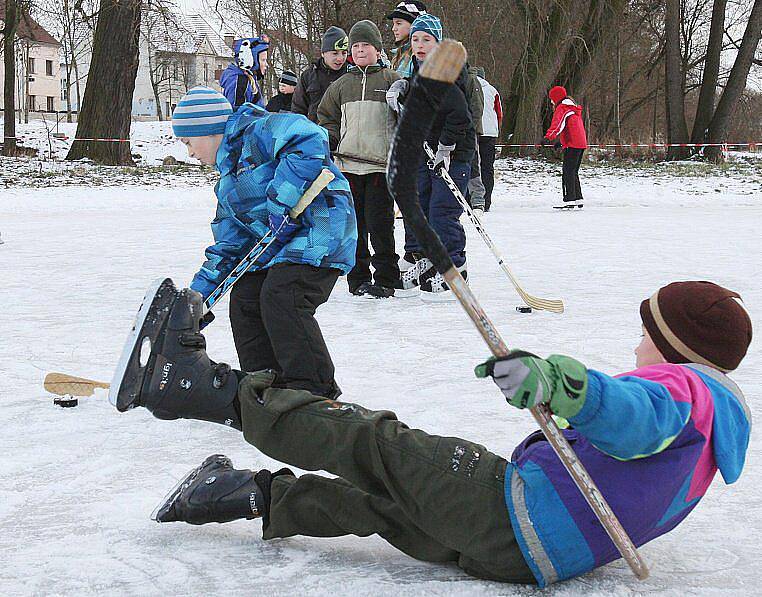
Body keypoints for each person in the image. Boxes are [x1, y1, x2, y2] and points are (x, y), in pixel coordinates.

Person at [113, 276, 752, 588]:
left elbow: (633, 418)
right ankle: (243, 494)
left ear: (674, 349)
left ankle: (198, 386)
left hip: (512, 509)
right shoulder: (714, 435)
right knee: (381, 506)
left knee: (375, 443)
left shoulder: (685, 392)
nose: (636, 342)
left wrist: (562, 384)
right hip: (532, 559)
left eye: (647, 332)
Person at [172, 86, 357, 398]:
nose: (189, 152)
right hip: (283, 247)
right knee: (246, 297)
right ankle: (266, 385)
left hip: (322, 229)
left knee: (283, 295)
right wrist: (195, 303)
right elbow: (228, 249)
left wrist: (282, 199)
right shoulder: (228, 185)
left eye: (189, 142)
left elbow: (308, 137)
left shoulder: (256, 130)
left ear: (209, 129)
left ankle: (313, 391)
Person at [389, 14, 474, 301]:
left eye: (427, 40)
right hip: (427, 153)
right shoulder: (417, 71)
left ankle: (455, 266)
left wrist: (446, 148)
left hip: (453, 154)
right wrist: (402, 93)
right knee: (422, 206)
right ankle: (425, 259)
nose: (420, 45)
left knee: (442, 211)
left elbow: (459, 117)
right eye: (415, 39)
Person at [318, 20, 402, 299]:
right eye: (356, 46)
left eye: (366, 45)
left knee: (380, 223)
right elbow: (326, 116)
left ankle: (388, 277)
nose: (360, 50)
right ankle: (358, 279)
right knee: (355, 226)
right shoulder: (342, 85)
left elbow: (409, 116)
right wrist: (333, 139)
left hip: (380, 165)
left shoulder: (392, 80)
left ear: (378, 49)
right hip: (348, 166)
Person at [292, 27, 349, 123]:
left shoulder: (351, 74)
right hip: (315, 132)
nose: (340, 58)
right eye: (335, 53)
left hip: (344, 133)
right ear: (323, 53)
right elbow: (298, 110)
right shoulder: (308, 76)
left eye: (344, 53)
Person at [544, 85, 587, 209]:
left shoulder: (563, 108)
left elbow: (558, 124)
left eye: (552, 99)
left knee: (568, 171)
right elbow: (571, 129)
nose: (551, 101)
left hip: (572, 144)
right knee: (573, 171)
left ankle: (569, 199)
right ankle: (578, 198)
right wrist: (561, 143)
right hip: (579, 143)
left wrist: (548, 138)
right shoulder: (572, 108)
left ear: (556, 98)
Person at [474, 67, 502, 212]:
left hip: (473, 131)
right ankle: (487, 200)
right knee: (487, 167)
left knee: (472, 166)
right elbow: (499, 114)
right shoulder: (493, 90)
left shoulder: (467, 86)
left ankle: (472, 199)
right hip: (490, 133)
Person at [219, 36, 270, 109]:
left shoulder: (249, 79)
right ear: (249, 59)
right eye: (263, 60)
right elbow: (236, 116)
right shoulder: (239, 82)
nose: (266, 64)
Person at [385, 0, 428, 78]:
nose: (393, 29)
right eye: (393, 24)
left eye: (399, 23)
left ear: (414, 25)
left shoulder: (420, 56)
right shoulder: (400, 54)